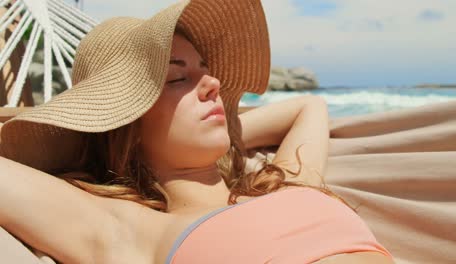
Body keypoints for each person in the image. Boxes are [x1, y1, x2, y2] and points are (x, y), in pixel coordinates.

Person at [0, 0, 394, 263]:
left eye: (205, 70)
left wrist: (230, 137)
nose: (214, 84)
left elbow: (310, 106)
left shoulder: (287, 181)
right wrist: (82, 144)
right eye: (177, 79)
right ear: (126, 128)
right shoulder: (132, 232)